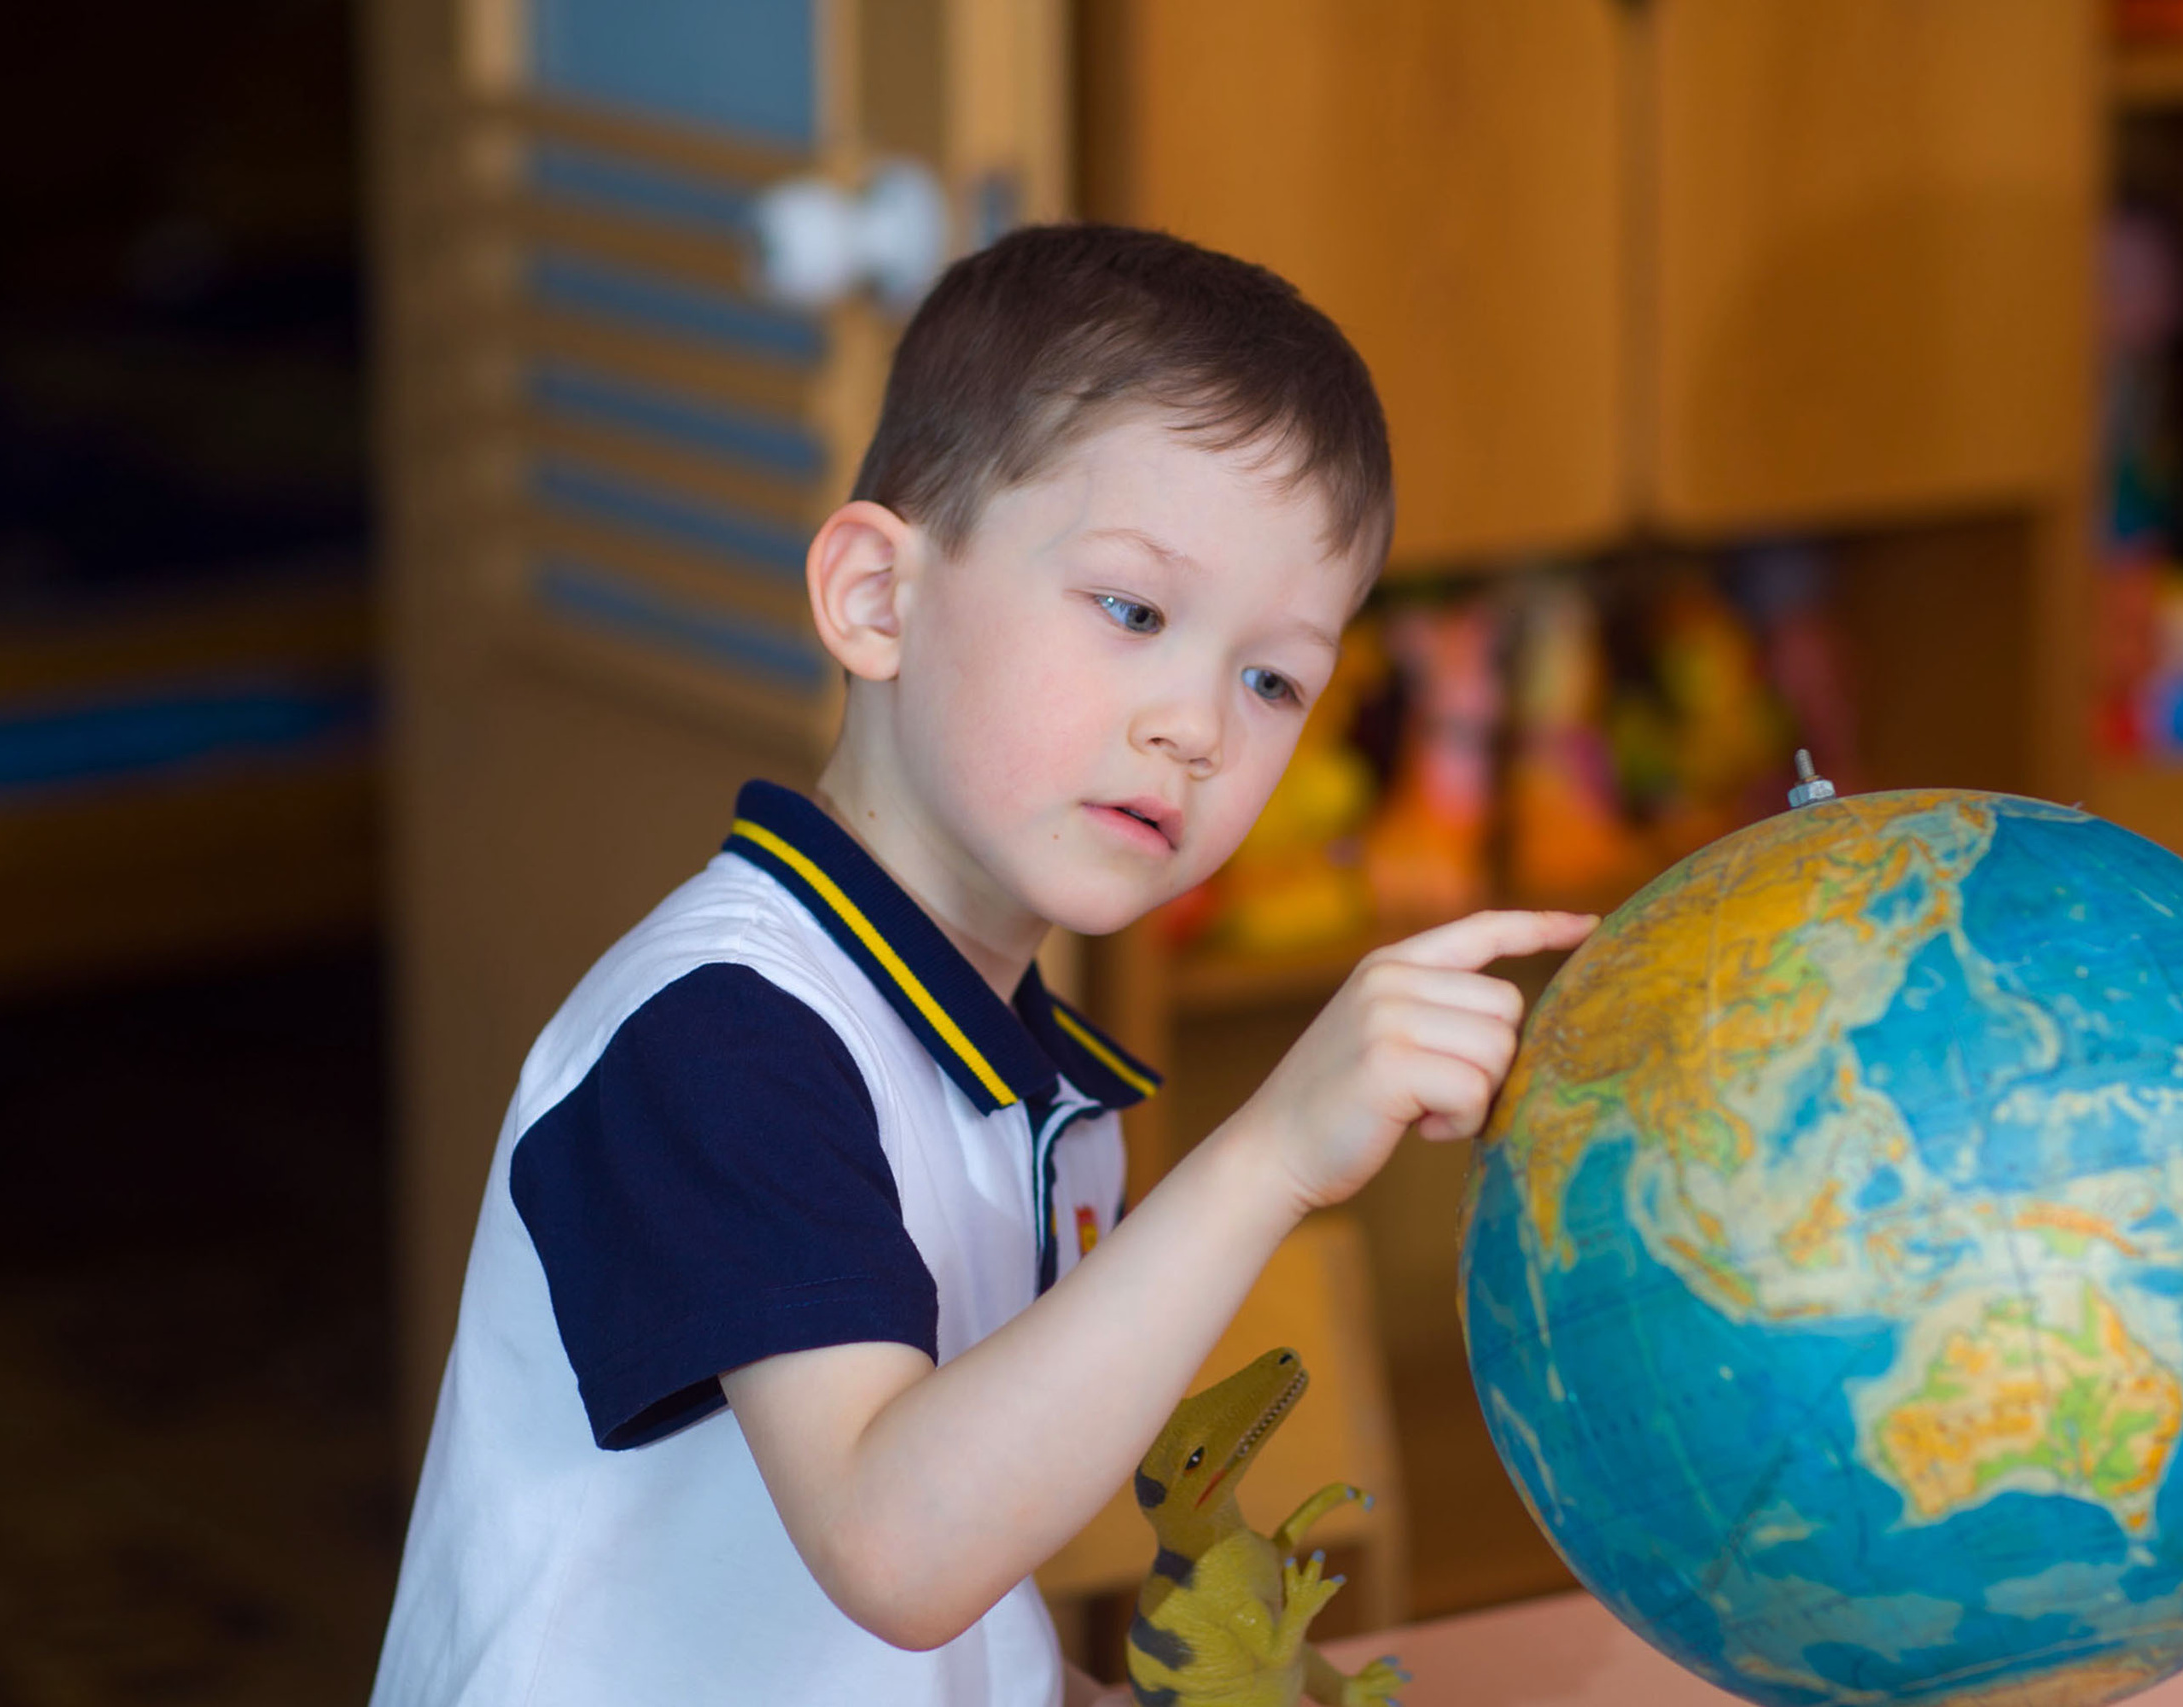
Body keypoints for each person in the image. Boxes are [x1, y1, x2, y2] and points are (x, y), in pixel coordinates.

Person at [370, 223, 1594, 1707]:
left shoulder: (1025, 1078)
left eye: (1273, 678)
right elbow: (899, 1549)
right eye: (1134, 611)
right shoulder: (719, 1040)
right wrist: (1270, 1150)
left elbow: (956, 1618)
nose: (1199, 726)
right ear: (877, 600)